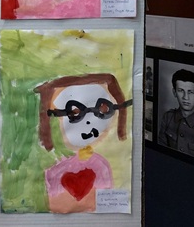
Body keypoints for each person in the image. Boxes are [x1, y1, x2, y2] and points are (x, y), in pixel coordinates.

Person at [34, 73, 132, 213]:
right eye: (74, 113)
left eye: (103, 110)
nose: (89, 122)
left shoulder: (100, 166)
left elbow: (105, 202)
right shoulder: (53, 170)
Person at [158, 69, 194, 164]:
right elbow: (160, 154)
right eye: (181, 91)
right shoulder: (168, 118)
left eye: (190, 92)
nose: (185, 97)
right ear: (174, 92)